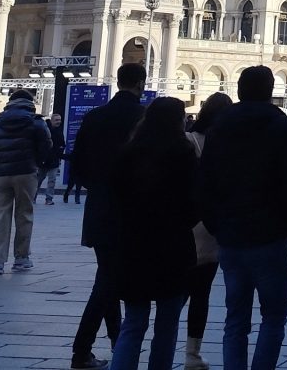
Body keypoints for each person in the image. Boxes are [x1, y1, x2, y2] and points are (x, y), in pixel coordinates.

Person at [197, 66, 287, 370]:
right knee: (273, 316)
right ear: (269, 90)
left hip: (231, 235)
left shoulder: (220, 126)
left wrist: (215, 223)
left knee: (235, 318)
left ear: (240, 89)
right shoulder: (282, 126)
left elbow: (205, 180)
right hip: (271, 235)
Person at [108, 97, 198, 370]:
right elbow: (195, 202)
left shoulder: (127, 153)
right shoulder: (183, 154)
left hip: (133, 245)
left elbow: (115, 199)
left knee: (133, 322)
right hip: (173, 246)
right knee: (168, 324)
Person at [71, 64, 149, 370]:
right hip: (130, 211)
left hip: (99, 207)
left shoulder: (94, 116)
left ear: (118, 82)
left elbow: (77, 167)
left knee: (110, 276)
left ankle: (118, 345)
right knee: (107, 282)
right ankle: (81, 351)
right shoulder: (143, 117)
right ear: (141, 84)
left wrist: (99, 187)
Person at [182, 92, 232, 370]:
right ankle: (192, 354)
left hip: (184, 225)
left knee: (176, 293)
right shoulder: (225, 146)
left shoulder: (187, 142)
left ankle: (162, 346)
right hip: (209, 227)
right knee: (201, 294)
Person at [0, 88, 55, 275]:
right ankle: (21, 258)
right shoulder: (36, 122)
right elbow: (46, 145)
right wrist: (38, 162)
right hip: (26, 172)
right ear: (30, 103)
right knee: (24, 214)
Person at [41, 113, 65, 206]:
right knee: (39, 179)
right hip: (44, 160)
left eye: (60, 120)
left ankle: (49, 199)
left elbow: (62, 144)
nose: (59, 122)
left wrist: (60, 151)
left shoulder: (59, 131)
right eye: (56, 120)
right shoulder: (45, 130)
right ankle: (33, 197)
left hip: (54, 160)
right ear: (51, 120)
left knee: (52, 180)